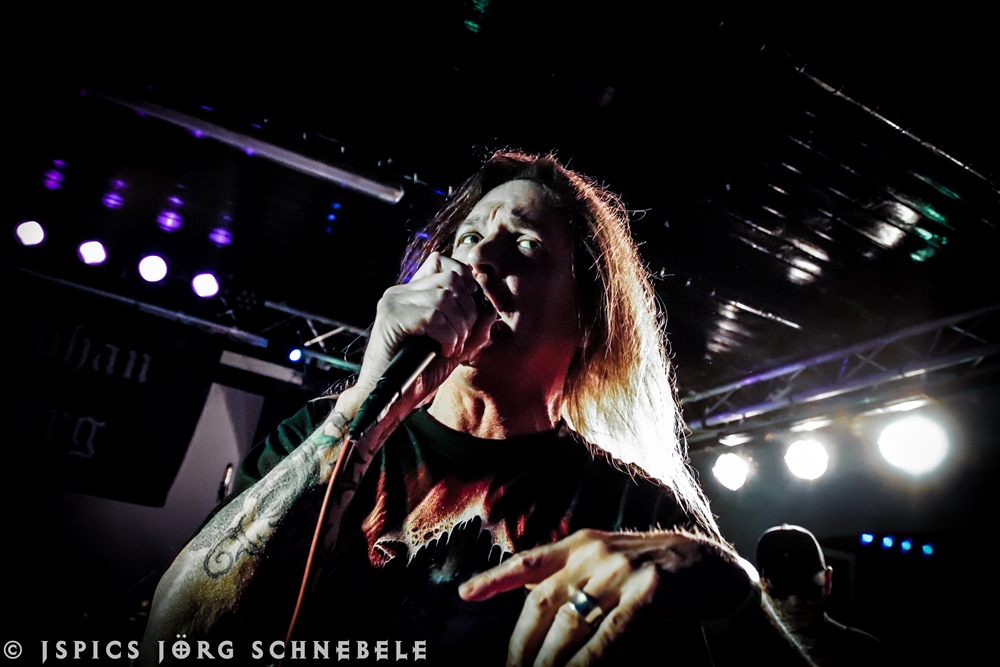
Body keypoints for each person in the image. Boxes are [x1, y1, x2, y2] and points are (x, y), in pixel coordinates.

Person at [140, 151, 807, 666]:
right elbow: (172, 639)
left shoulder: (634, 509)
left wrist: (736, 593)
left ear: (588, 319)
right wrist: (367, 398)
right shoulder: (319, 438)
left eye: (525, 246)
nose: (478, 258)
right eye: (465, 238)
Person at [756, 525, 886, 667]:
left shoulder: (864, 651)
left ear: (828, 581)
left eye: (806, 583)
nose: (795, 601)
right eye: (780, 585)